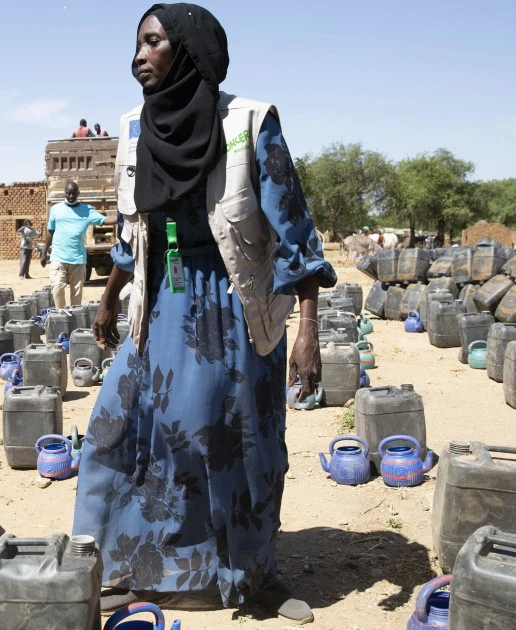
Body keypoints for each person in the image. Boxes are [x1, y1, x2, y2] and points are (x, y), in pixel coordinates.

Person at [71, 5, 335, 623]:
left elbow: (295, 233)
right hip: (161, 299)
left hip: (232, 303)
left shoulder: (248, 122)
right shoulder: (137, 127)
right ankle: (128, 566)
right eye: (136, 43)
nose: (139, 55)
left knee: (225, 438)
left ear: (189, 50)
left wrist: (308, 330)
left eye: (153, 42)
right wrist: (110, 296)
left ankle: (252, 575)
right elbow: (133, 229)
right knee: (116, 428)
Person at [41, 181, 107, 307]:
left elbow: (104, 220)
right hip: (58, 258)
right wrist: (44, 253)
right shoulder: (55, 209)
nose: (71, 196)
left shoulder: (87, 211)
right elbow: (50, 231)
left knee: (76, 294)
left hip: (78, 259)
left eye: (74, 193)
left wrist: (123, 216)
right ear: (64, 193)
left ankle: (74, 318)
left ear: (78, 193)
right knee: (57, 288)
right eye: (68, 193)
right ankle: (61, 316)